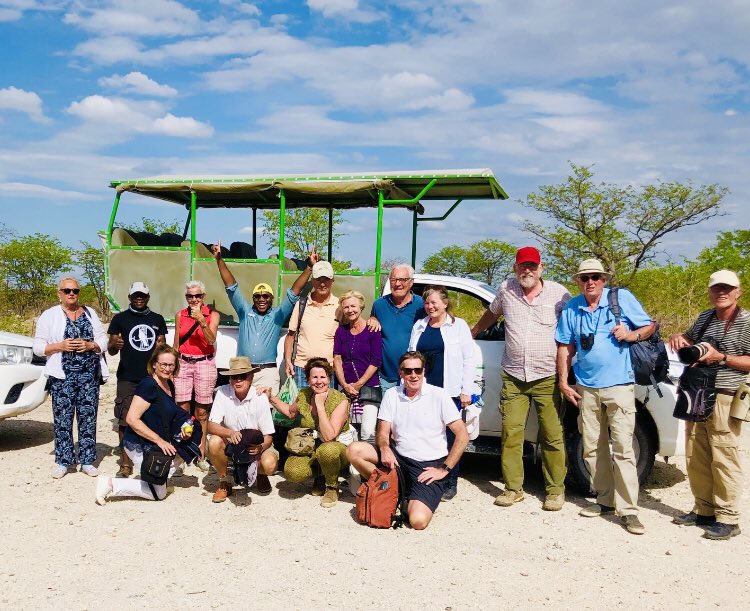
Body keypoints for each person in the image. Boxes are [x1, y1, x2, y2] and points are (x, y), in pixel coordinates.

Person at [555, 259, 655, 535]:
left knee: (623, 447)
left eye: (595, 277)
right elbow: (565, 346)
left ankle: (629, 510)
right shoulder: (572, 307)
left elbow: (650, 326)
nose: (590, 282)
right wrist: (564, 381)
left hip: (619, 385)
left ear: (603, 278)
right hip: (586, 386)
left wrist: (632, 334)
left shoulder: (620, 298)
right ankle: (605, 499)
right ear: (578, 280)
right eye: (585, 277)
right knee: (591, 446)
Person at [471, 246, 570, 511]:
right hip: (514, 375)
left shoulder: (559, 293)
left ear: (541, 268)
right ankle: (513, 489)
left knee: (551, 435)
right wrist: (474, 331)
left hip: (547, 375)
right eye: (522, 266)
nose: (527, 270)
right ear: (515, 268)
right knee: (511, 434)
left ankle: (555, 491)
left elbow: (572, 326)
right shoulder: (506, 289)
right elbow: (493, 313)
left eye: (532, 266)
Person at [669, 270, 750, 540]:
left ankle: (728, 517)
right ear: (710, 291)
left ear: (738, 291)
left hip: (726, 394)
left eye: (727, 288)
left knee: (724, 455)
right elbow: (690, 342)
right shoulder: (705, 316)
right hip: (697, 391)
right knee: (696, 453)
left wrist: (722, 357)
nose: (721, 292)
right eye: (716, 288)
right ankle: (704, 509)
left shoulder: (747, 321)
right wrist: (680, 338)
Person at [347, 351, 469, 530]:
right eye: (408, 370)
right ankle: (391, 489)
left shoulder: (439, 395)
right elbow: (382, 431)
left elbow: (463, 435)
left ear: (423, 372)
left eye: (417, 370)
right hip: (399, 458)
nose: (413, 375)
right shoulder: (391, 394)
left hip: (428, 465)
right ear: (401, 373)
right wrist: (385, 448)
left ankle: (409, 497)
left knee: (417, 521)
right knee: (354, 450)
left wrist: (444, 469)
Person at [211, 242, 320, 395]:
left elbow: (295, 292)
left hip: (267, 373)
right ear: (253, 298)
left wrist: (309, 267)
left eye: (266, 296)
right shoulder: (244, 311)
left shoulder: (277, 315)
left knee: (266, 412)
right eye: (258, 296)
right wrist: (219, 260)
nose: (261, 299)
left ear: (271, 298)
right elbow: (231, 286)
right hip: (243, 371)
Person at [95, 344, 196, 504]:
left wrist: (185, 429)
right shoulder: (148, 385)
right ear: (154, 364)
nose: (167, 368)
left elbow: (167, 415)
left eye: (171, 365)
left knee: (187, 448)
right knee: (158, 494)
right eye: (163, 364)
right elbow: (131, 419)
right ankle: (110, 483)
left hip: (155, 444)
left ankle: (158, 477)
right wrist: (159, 440)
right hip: (140, 443)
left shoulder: (169, 385)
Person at [33, 276, 108, 479]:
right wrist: (60, 346)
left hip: (89, 375)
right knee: (63, 419)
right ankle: (63, 461)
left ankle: (86, 460)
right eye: (67, 291)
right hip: (62, 376)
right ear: (59, 293)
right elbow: (38, 347)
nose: (71, 294)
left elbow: (103, 338)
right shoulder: (49, 316)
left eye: (75, 290)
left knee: (88, 417)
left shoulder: (90, 313)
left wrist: (92, 345)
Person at [407, 285, 476, 500]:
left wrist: (467, 390)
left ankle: (449, 480)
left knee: (450, 437)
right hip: (423, 389)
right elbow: (411, 355)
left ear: (445, 303)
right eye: (427, 303)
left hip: (449, 391)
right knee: (424, 434)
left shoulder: (458, 326)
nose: (430, 306)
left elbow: (469, 359)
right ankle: (422, 477)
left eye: (435, 302)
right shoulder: (419, 326)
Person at [267, 358, 351, 508]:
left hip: (337, 447)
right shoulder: (304, 394)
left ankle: (332, 487)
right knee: (292, 472)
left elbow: (329, 437)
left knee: (327, 450)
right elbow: (290, 412)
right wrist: (270, 398)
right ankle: (320, 476)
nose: (319, 381)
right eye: (314, 377)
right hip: (312, 444)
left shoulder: (340, 399)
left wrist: (319, 405)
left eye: (323, 377)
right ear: (307, 379)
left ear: (329, 379)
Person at [107, 281, 167, 478]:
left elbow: (162, 349)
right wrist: (115, 344)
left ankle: (148, 459)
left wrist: (161, 348)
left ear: (148, 297)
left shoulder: (157, 319)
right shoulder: (120, 319)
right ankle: (125, 464)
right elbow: (112, 350)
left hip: (151, 378)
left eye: (142, 295)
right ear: (129, 297)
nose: (139, 298)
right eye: (135, 296)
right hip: (127, 377)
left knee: (150, 419)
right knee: (125, 420)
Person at [207, 356, 279, 503]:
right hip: (232, 442)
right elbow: (211, 425)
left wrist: (260, 448)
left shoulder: (260, 398)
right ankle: (225, 481)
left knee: (270, 464)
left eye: (242, 376)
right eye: (234, 376)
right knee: (214, 442)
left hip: (255, 445)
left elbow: (268, 436)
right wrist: (230, 433)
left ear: (251, 378)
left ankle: (260, 474)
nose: (238, 380)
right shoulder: (222, 393)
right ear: (230, 379)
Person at [173, 280, 221, 471]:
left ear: (203, 297)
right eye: (190, 296)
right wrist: (172, 368)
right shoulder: (180, 315)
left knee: (202, 412)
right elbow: (177, 343)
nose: (193, 299)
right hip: (184, 362)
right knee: (182, 409)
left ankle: (200, 452)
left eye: (197, 296)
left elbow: (211, 340)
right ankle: (182, 452)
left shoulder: (212, 315)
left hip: (204, 361)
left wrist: (201, 319)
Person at [333, 290, 383, 441]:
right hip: (346, 389)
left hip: (368, 388)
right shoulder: (341, 332)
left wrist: (359, 384)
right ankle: (350, 464)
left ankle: (366, 463)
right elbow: (337, 359)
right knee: (348, 433)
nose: (350, 310)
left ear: (361, 307)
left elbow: (376, 361)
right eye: (346, 307)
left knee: (368, 432)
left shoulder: (372, 330)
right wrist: (345, 385)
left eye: (353, 306)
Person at [284, 261, 339, 389]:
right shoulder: (301, 304)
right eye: (319, 279)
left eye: (326, 279)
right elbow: (290, 336)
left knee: (326, 409)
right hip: (302, 369)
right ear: (313, 281)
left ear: (333, 281)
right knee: (302, 408)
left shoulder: (340, 306)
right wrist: (287, 361)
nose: (323, 283)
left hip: (328, 371)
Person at [370, 264, 425, 391]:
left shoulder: (422, 306)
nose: (398, 284)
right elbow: (372, 328)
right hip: (386, 377)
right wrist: (371, 319)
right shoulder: (379, 305)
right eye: (394, 280)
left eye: (403, 280)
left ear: (411, 282)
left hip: (413, 375)